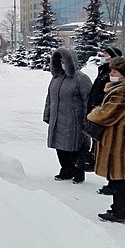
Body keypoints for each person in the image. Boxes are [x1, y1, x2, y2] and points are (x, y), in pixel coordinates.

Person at [86, 56, 125, 223]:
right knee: (119, 176)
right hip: (122, 139)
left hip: (119, 141)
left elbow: (106, 115)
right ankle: (122, 209)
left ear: (124, 74)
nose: (110, 73)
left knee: (119, 176)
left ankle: (121, 211)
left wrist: (94, 112)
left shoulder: (124, 91)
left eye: (114, 71)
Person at [43, 47, 92, 184]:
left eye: (64, 60)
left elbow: (88, 100)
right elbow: (50, 98)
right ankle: (66, 169)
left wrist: (87, 119)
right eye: (59, 60)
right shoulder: (56, 78)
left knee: (75, 146)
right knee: (60, 146)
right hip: (57, 118)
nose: (61, 63)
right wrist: (47, 115)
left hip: (74, 120)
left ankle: (78, 171)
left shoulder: (81, 79)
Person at [88, 47, 123, 196]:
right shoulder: (103, 71)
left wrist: (100, 113)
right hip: (98, 115)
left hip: (105, 118)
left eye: (106, 54)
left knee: (110, 151)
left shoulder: (114, 75)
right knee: (102, 150)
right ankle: (111, 180)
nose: (102, 55)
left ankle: (114, 182)